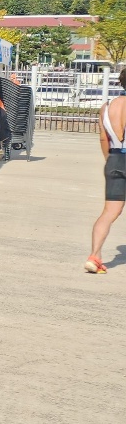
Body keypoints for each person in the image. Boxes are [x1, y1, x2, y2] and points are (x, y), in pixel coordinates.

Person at [86, 71, 126, 273]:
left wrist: (110, 160)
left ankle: (95, 256)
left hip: (115, 158)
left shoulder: (107, 107)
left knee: (109, 212)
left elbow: (103, 138)